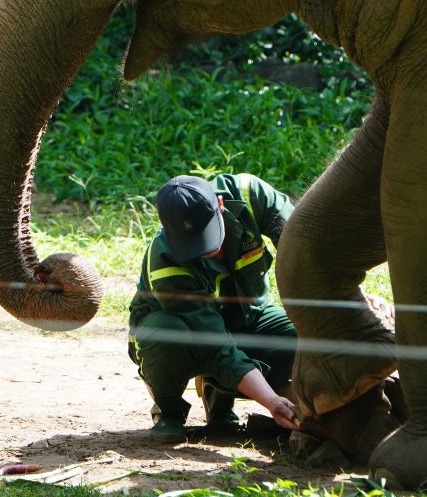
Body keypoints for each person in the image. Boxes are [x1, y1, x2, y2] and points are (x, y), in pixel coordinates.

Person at [128, 173, 300, 442]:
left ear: (220, 203)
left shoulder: (249, 194)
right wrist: (271, 402)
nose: (203, 249)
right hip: (188, 334)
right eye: (190, 242)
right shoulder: (164, 262)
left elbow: (304, 246)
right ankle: (169, 409)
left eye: (206, 234)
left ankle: (219, 388)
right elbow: (216, 345)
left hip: (247, 316)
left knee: (303, 336)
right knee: (164, 333)